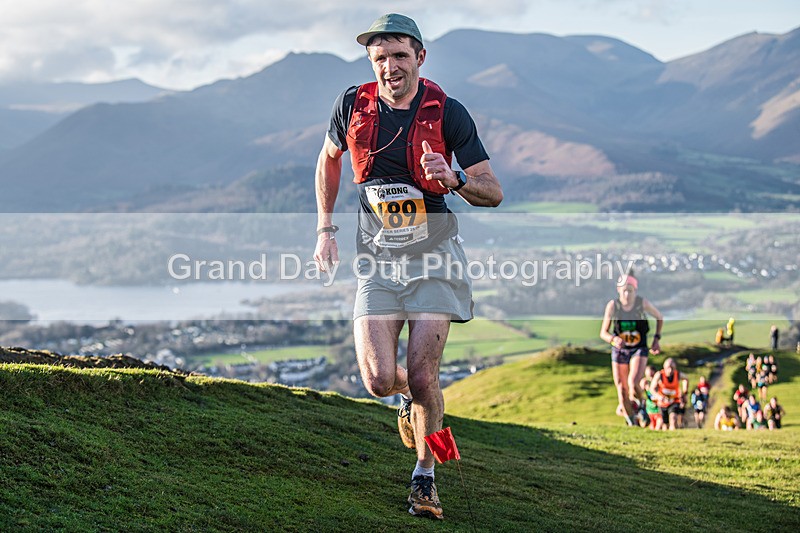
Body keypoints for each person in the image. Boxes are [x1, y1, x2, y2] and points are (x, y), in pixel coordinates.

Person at [313, 13, 503, 521]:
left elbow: (493, 191)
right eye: (380, 58)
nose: (390, 67)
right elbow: (328, 160)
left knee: (423, 372)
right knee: (379, 379)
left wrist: (455, 176)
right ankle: (412, 402)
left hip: (434, 258)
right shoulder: (351, 106)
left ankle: (425, 476)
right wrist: (325, 230)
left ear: (420, 56)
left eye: (400, 55)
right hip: (377, 262)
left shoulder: (449, 113)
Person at [600, 272, 663, 426]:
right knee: (621, 390)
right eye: (624, 290)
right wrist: (613, 339)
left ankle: (642, 405)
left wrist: (656, 340)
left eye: (630, 290)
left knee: (633, 381)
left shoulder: (642, 304)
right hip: (620, 350)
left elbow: (659, 317)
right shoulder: (613, 306)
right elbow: (603, 333)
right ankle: (632, 423)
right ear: (618, 290)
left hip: (638, 348)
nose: (627, 294)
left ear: (635, 290)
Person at [649, 358, 688, 430]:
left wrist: (685, 392)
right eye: (668, 368)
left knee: (673, 418)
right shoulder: (659, 375)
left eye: (672, 368)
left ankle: (674, 434)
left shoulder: (678, 374)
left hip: (674, 401)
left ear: (675, 368)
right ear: (664, 367)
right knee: (665, 424)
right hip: (662, 402)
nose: (670, 370)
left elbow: (686, 379)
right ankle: (667, 438)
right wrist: (659, 396)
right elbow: (652, 388)